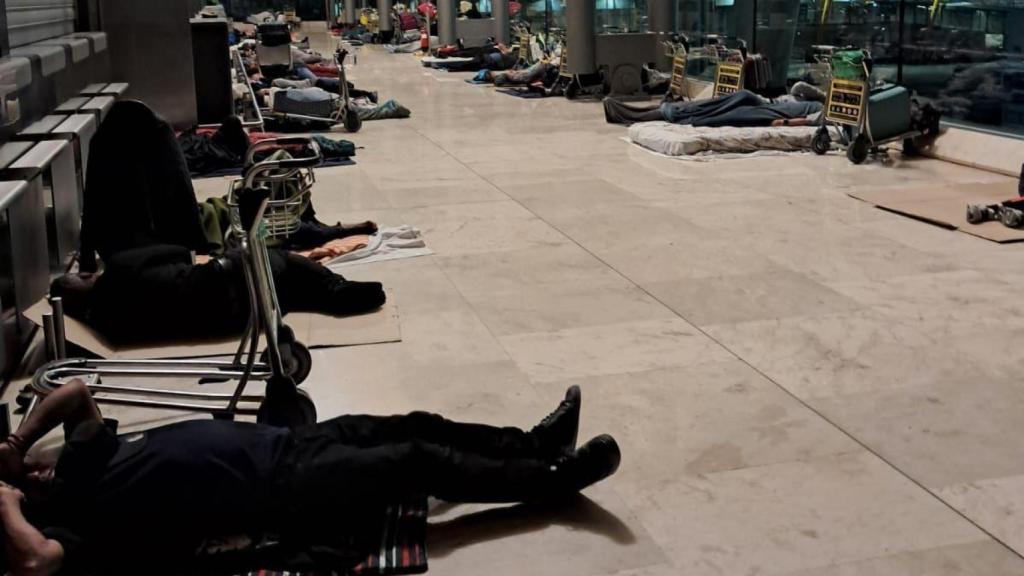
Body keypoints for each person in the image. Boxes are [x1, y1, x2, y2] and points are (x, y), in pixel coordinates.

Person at [0, 381, 620, 575]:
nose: (35, 470)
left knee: (417, 423)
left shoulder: (79, 462)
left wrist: (17, 443)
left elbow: (74, 392)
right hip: (287, 488)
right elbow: (37, 562)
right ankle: (553, 477)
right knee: (419, 459)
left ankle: (534, 443)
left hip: (289, 442)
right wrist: (6, 501)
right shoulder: (72, 523)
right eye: (26, 479)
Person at [50, 243, 385, 344]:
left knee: (285, 289)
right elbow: (174, 251)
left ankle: (329, 292)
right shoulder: (118, 268)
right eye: (78, 276)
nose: (86, 273)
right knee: (276, 257)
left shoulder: (108, 324)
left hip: (230, 319)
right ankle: (335, 287)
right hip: (225, 281)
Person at [603, 85, 825, 127]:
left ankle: (632, 112)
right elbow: (799, 87)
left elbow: (807, 120)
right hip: (764, 104)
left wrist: (781, 122)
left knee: (712, 110)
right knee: (708, 111)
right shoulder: (819, 103)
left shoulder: (820, 110)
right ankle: (667, 110)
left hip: (768, 108)